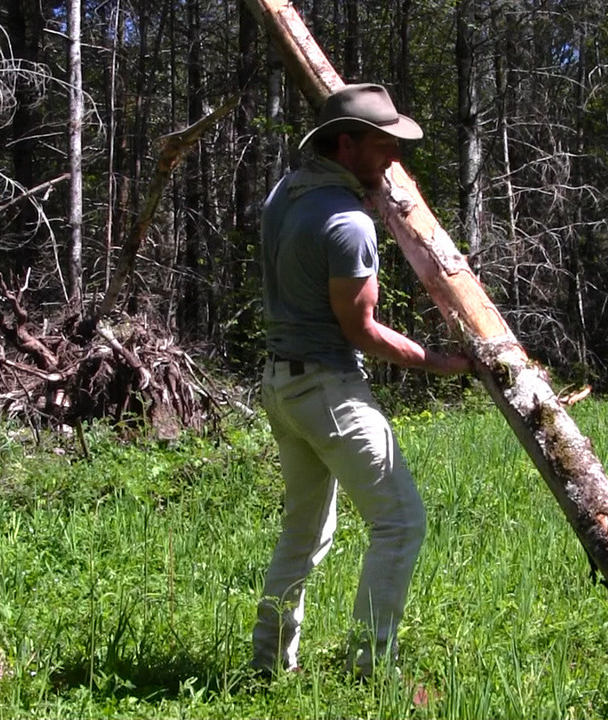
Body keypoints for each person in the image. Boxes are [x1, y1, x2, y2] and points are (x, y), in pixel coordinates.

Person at [252, 83, 472, 680]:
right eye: (382, 145)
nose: (394, 158)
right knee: (401, 522)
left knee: (304, 530)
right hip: (327, 390)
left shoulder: (285, 192)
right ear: (346, 145)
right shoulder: (349, 222)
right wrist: (444, 362)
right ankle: (372, 666)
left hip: (280, 385)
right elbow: (363, 330)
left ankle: (269, 662)